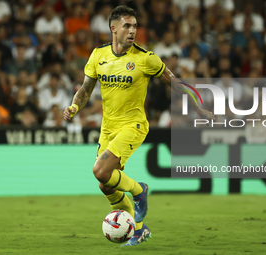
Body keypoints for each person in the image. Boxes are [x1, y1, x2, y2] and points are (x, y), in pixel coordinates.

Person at [63, 5, 213, 246]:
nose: (132, 31)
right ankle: (137, 229)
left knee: (100, 171)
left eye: (134, 26)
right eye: (127, 26)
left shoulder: (146, 58)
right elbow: (85, 90)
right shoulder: (98, 55)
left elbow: (175, 83)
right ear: (113, 28)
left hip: (133, 125)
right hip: (108, 128)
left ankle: (139, 190)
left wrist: (199, 108)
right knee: (106, 184)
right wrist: (73, 107)